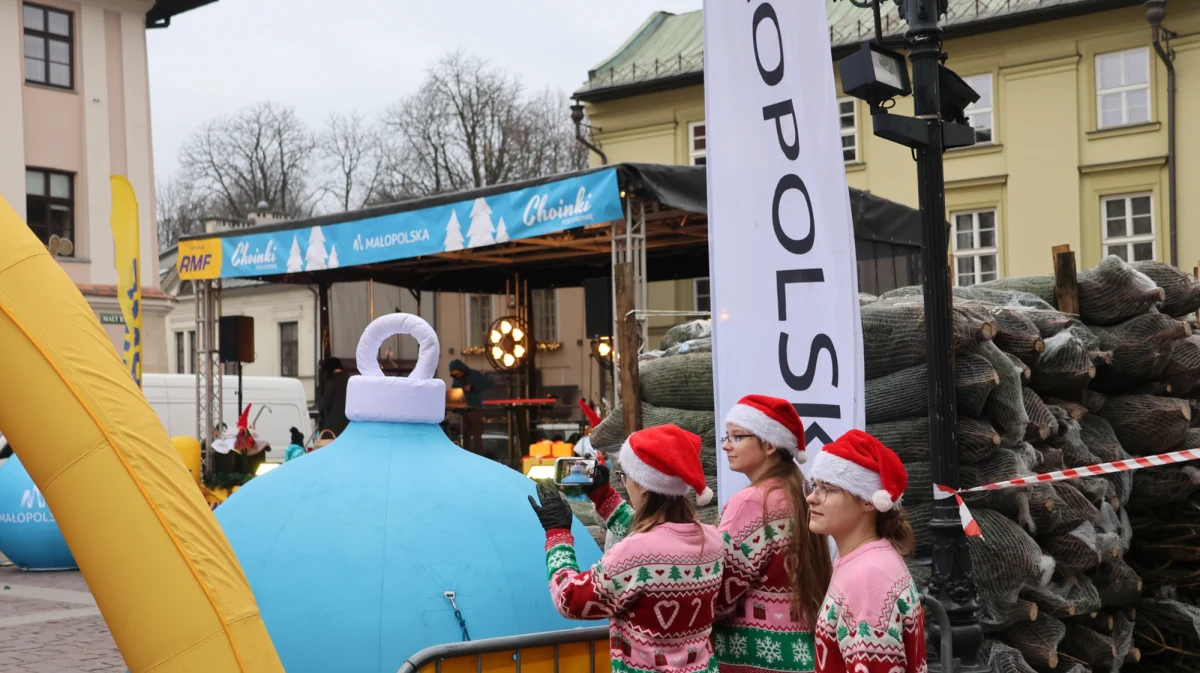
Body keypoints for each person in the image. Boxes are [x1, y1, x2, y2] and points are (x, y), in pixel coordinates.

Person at [586, 396, 834, 673]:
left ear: (769, 444)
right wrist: (608, 503)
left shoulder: (753, 503)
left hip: (755, 659)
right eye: (726, 437)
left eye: (737, 437)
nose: (726, 445)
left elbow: (713, 592)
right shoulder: (797, 491)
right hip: (801, 653)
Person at [527, 425, 724, 673]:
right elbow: (658, 541)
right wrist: (603, 497)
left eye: (625, 477)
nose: (624, 484)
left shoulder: (636, 553)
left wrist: (558, 534)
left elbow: (569, 599)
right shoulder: (713, 540)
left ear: (642, 484)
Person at [806, 429, 924, 673]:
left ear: (868, 501)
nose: (811, 498)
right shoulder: (865, 560)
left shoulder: (868, 577)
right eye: (814, 486)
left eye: (827, 488)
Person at [449, 359, 492, 455]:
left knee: (476, 436)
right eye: (454, 374)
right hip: (464, 411)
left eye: (458, 373)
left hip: (475, 409)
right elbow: (454, 392)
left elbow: (489, 383)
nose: (457, 376)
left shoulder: (474, 375)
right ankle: (467, 455)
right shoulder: (457, 380)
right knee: (466, 436)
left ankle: (480, 455)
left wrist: (473, 387)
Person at [317, 358, 349, 437]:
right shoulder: (350, 380)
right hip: (348, 424)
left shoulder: (332, 382)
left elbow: (324, 403)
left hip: (334, 426)